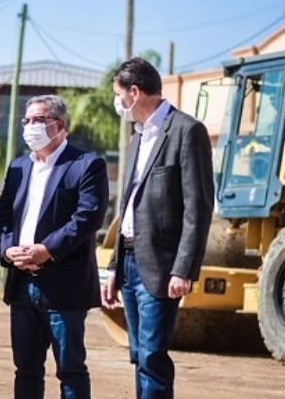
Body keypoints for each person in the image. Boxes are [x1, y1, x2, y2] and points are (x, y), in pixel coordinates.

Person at [101, 57, 214, 399]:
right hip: (130, 262)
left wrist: (184, 269)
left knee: (152, 356)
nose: (118, 103)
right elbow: (129, 208)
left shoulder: (186, 131)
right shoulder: (137, 139)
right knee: (138, 356)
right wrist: (114, 268)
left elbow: (199, 207)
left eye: (119, 95)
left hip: (161, 268)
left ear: (134, 93)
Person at [0, 94, 109, 399]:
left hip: (64, 286)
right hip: (21, 286)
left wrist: (46, 250)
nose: (31, 126)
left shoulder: (86, 165)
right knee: (26, 370)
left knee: (70, 371)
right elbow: (3, 215)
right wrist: (7, 250)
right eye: (27, 120)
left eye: (39, 120)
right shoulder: (18, 167)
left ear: (60, 125)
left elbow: (87, 217)